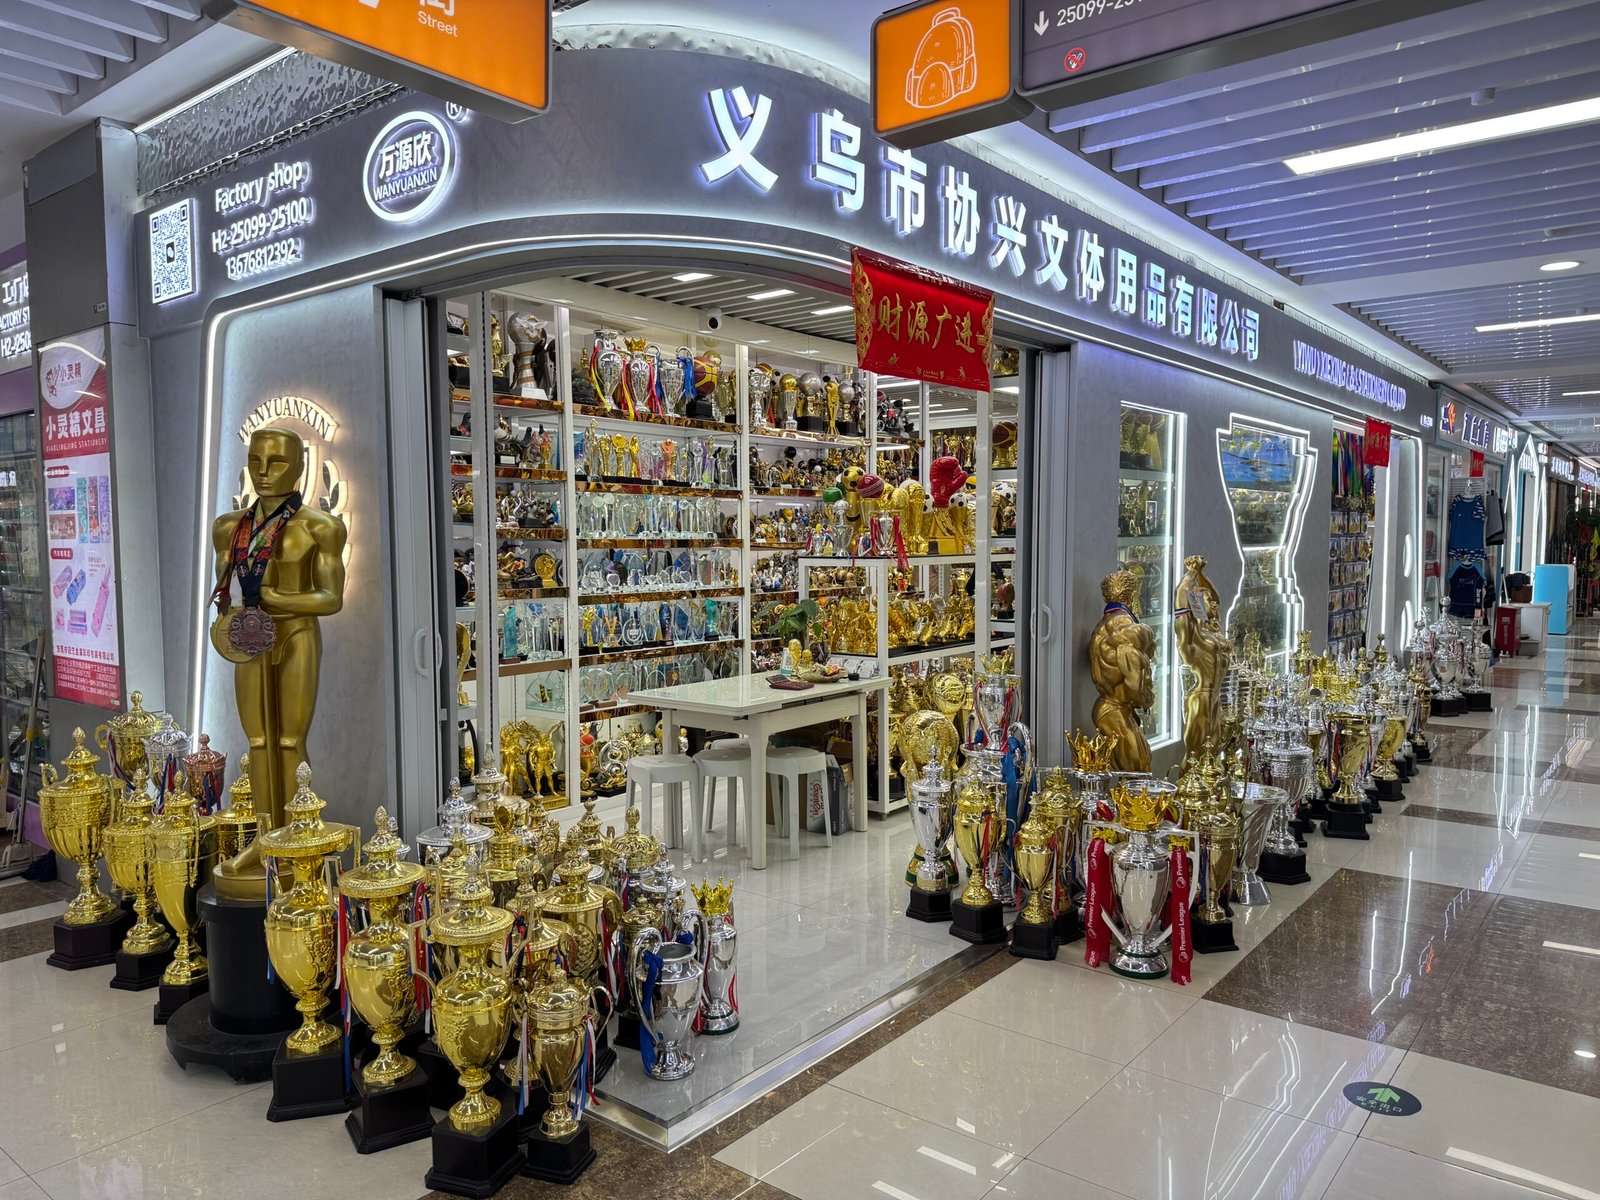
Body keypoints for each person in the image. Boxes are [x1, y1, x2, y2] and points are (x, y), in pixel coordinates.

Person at [210, 428, 347, 900]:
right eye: (256, 462)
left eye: (277, 464)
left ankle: (297, 838)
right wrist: (228, 623)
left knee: (290, 740)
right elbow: (225, 596)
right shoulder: (229, 528)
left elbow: (331, 599)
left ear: (300, 467)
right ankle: (266, 842)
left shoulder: (319, 526)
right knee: (258, 740)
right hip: (251, 643)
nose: (264, 474)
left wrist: (271, 598)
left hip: (296, 638)